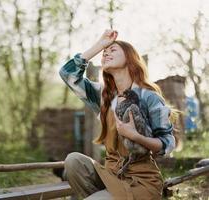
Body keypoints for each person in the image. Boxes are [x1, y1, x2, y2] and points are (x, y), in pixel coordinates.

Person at [59, 29, 180, 200]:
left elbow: (167, 145)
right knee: (74, 161)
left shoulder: (149, 97)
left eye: (112, 50)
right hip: (111, 176)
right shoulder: (103, 96)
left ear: (130, 58)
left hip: (141, 181)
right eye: (104, 52)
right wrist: (99, 45)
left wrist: (135, 136)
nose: (106, 53)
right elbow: (67, 74)